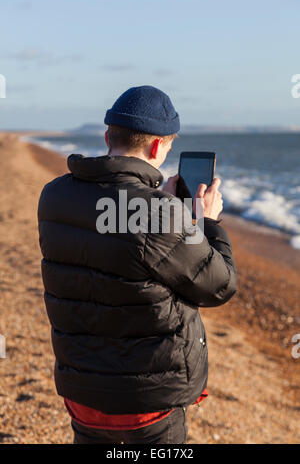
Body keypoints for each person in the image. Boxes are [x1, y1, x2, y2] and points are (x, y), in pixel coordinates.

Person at [38, 85, 237, 444]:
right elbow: (218, 285)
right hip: (147, 402)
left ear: (107, 135)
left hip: (81, 391)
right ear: (158, 146)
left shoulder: (54, 195)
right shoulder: (161, 217)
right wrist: (204, 222)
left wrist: (163, 209)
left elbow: (112, 233)